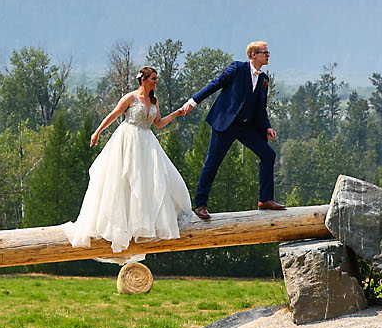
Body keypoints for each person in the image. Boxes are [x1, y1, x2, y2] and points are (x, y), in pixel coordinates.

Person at [64, 66, 194, 260]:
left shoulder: (154, 101)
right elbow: (114, 114)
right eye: (153, 78)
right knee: (123, 179)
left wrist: (176, 114)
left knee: (149, 181)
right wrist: (98, 131)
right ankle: (118, 225)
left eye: (156, 78)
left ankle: (141, 224)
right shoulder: (131, 98)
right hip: (128, 139)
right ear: (143, 79)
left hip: (147, 142)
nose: (156, 81)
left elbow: (158, 123)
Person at [178, 40, 283, 219]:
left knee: (268, 155)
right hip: (225, 124)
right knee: (213, 163)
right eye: (265, 52)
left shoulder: (264, 79)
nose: (268, 55)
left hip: (246, 127)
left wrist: (267, 128)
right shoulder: (237, 68)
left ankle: (265, 199)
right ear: (253, 55)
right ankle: (201, 205)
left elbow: (261, 108)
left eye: (268, 52)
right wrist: (192, 102)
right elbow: (215, 84)